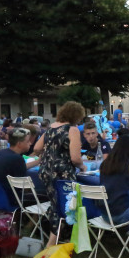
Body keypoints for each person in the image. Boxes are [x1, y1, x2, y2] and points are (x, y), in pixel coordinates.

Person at [34, 101, 87, 248]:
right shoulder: (72, 129)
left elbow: (37, 148)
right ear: (76, 116)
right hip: (62, 173)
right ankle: (52, 244)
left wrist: (51, 152)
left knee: (56, 204)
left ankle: (58, 237)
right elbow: (76, 158)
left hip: (46, 170)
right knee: (66, 206)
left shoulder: (51, 128)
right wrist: (82, 167)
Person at [0, 128, 33, 204]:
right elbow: (24, 187)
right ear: (19, 144)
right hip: (10, 199)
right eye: (28, 141)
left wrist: (38, 161)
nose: (30, 143)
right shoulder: (17, 158)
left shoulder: (1, 153)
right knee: (44, 194)